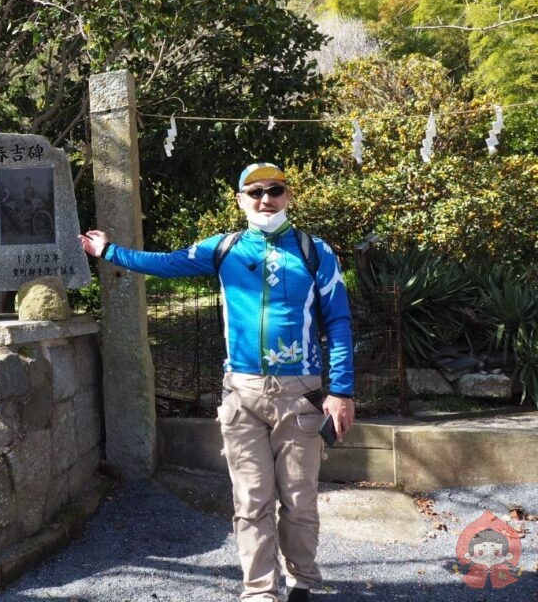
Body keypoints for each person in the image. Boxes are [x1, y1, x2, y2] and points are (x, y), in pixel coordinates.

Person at [79, 162, 354, 602]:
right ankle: (260, 590)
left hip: (300, 395)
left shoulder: (314, 251)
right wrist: (110, 252)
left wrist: (340, 391)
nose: (266, 199)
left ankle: (303, 580)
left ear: (287, 196)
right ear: (241, 199)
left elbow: (338, 321)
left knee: (299, 500)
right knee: (251, 501)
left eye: (275, 190)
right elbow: (166, 263)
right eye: (256, 191)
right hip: (241, 393)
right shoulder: (225, 247)